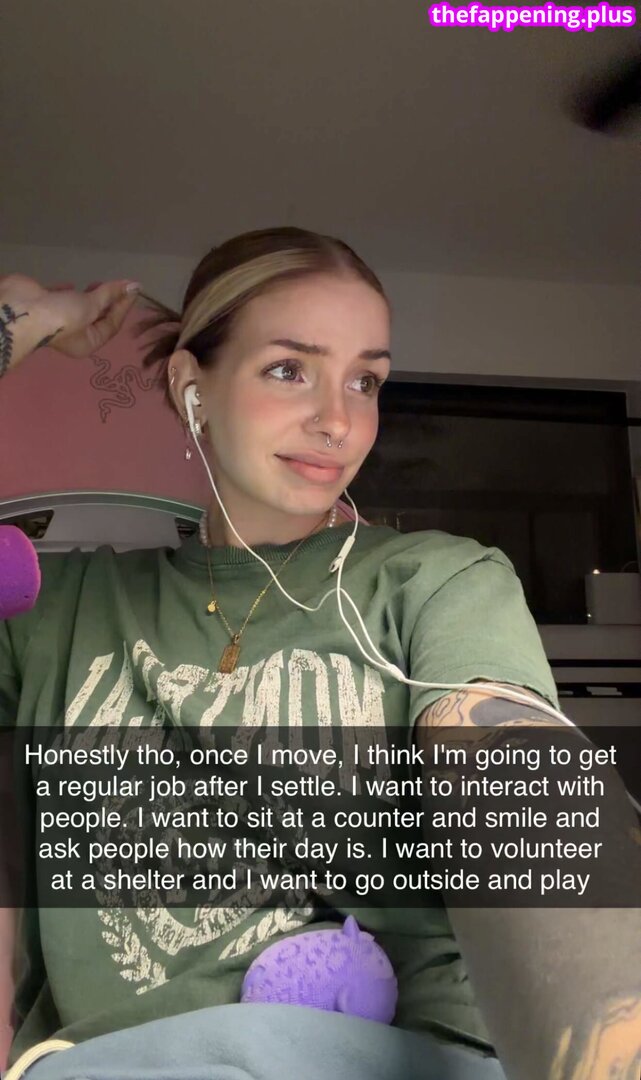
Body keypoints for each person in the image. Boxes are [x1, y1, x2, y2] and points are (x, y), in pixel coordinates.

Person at [0, 227, 640, 1080]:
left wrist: (610, 1028)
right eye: (288, 369)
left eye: (365, 380)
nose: (338, 420)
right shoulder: (57, 610)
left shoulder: (435, 581)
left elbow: (510, 768)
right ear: (192, 385)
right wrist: (23, 318)